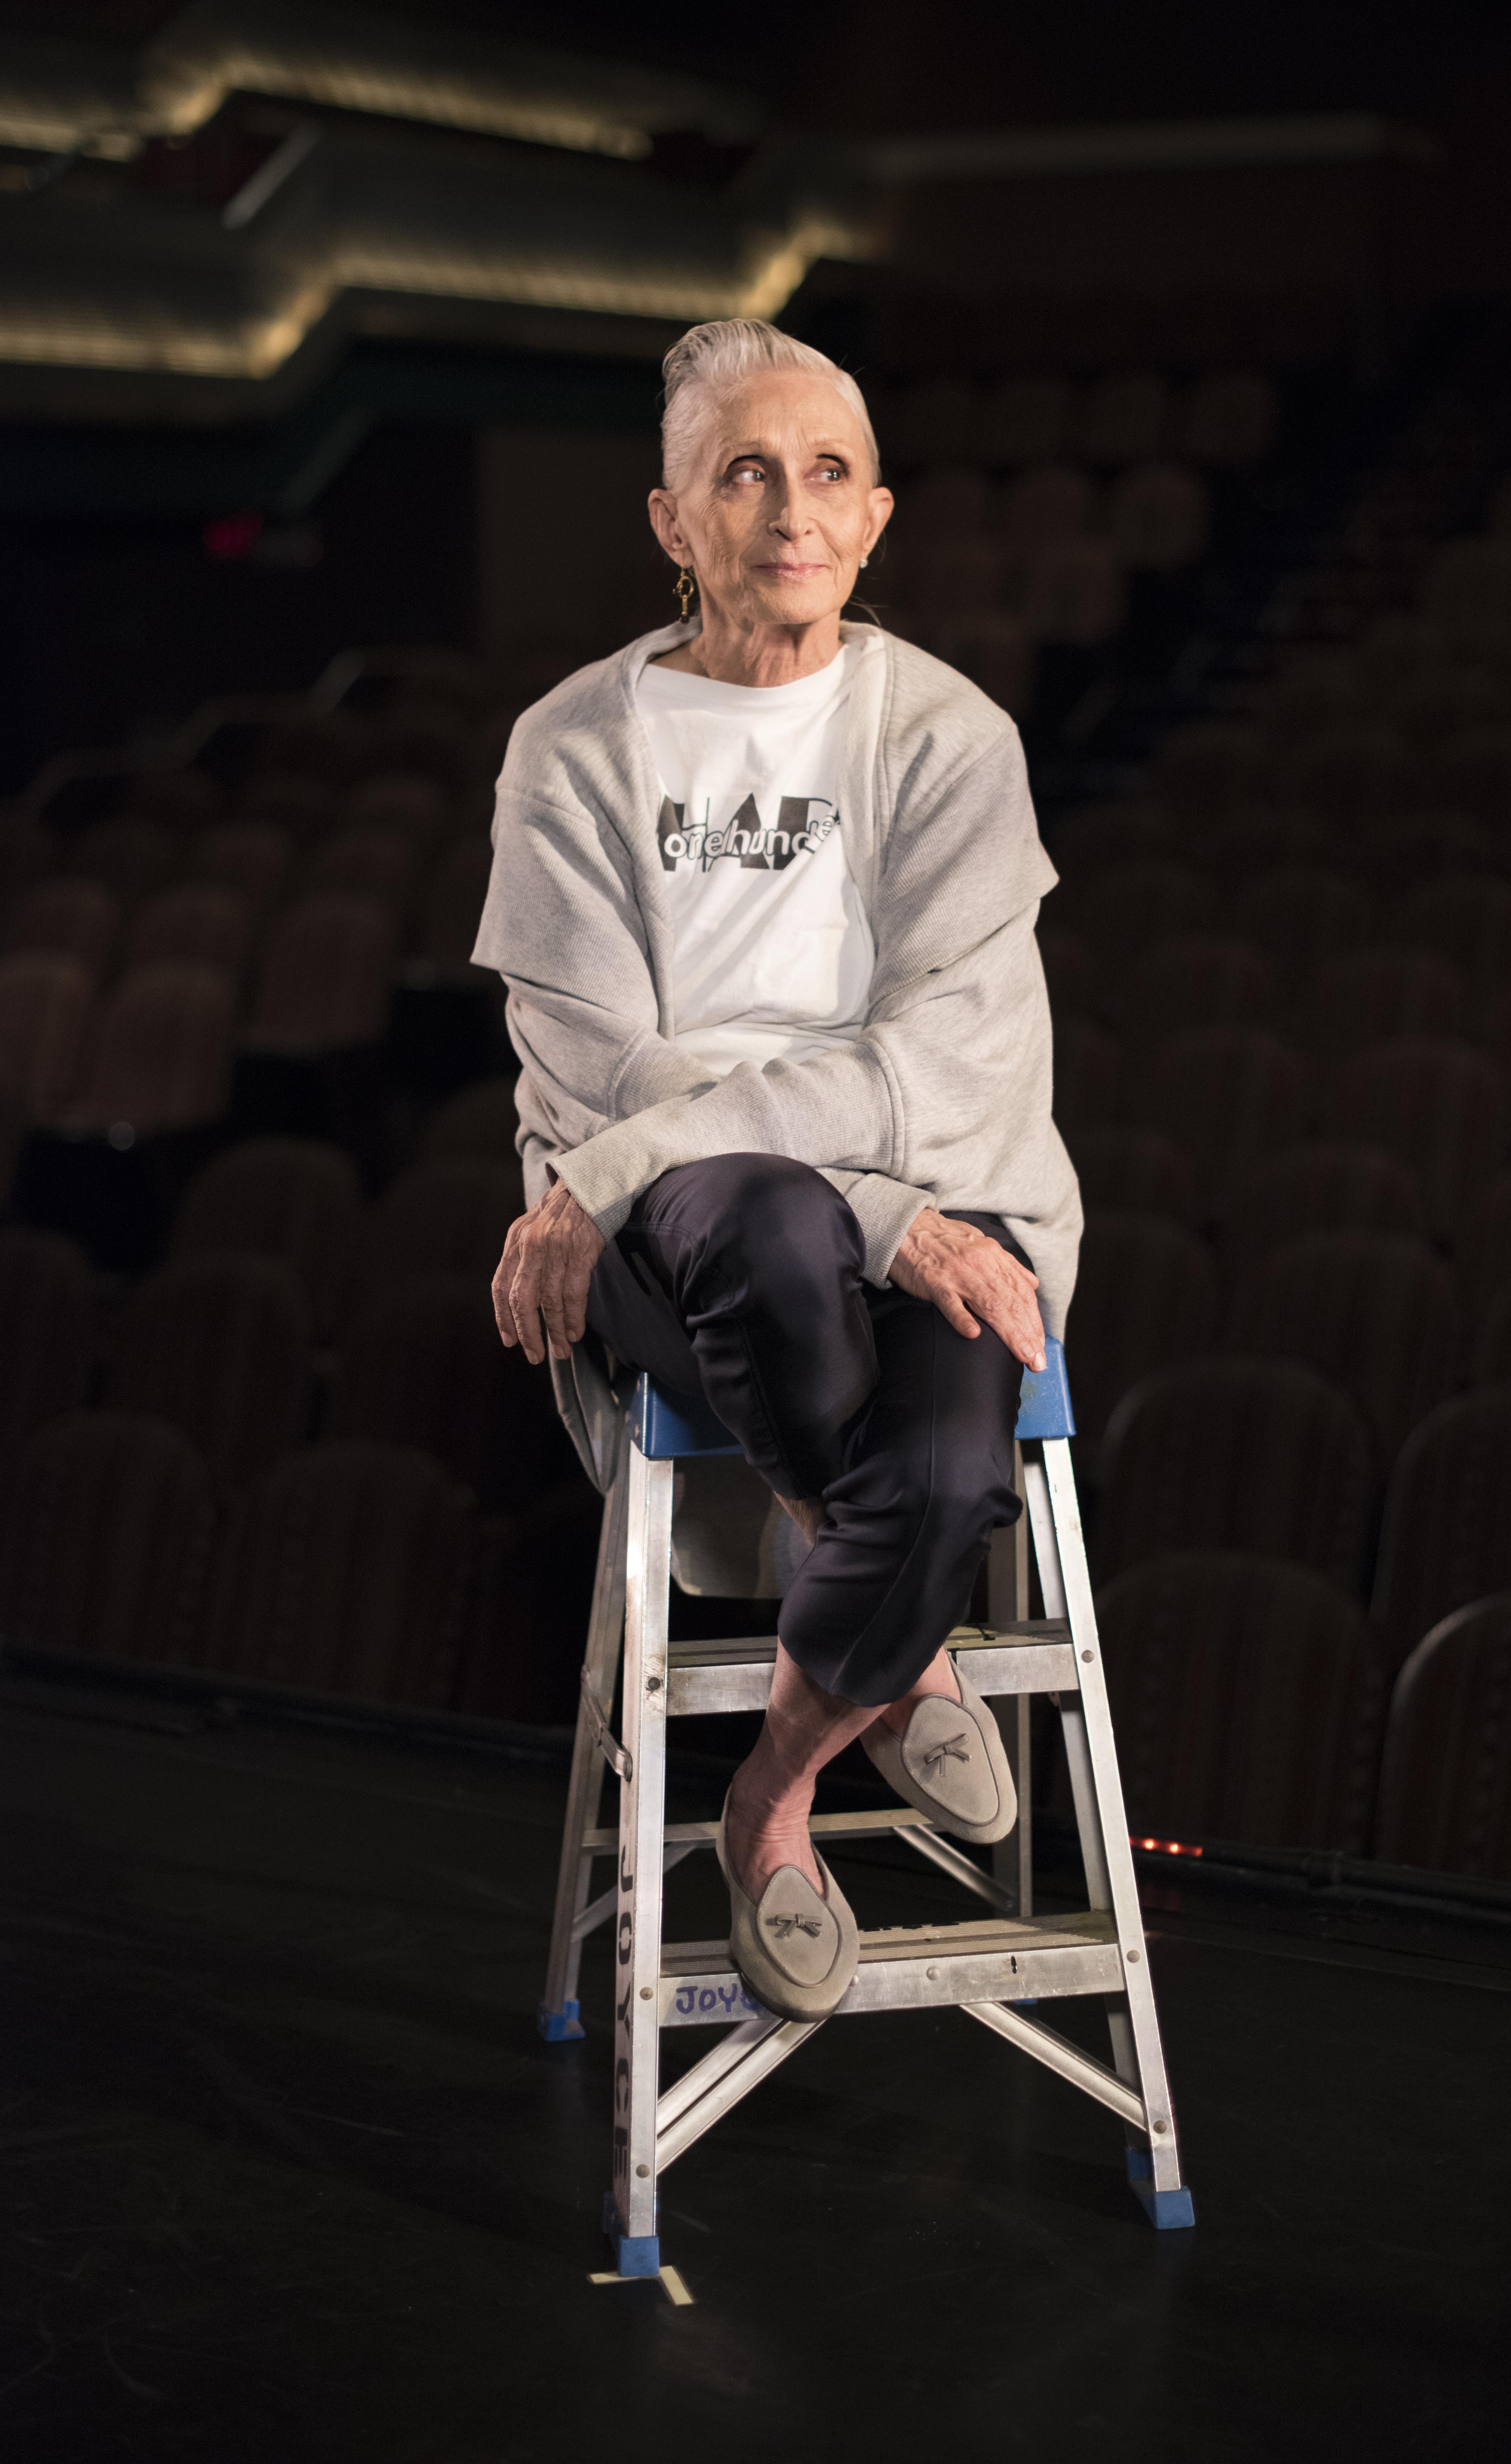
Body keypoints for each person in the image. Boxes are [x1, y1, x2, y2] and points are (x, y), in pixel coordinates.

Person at [479, 317, 1080, 2021]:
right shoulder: (572, 747)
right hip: (687, 1226)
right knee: (760, 1217)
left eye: (826, 474)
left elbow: (938, 1071)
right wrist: (843, 1205)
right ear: (672, 520)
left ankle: (770, 1798)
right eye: (744, 472)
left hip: (940, 1188)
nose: (789, 510)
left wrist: (888, 1214)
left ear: (876, 516)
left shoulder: (952, 741)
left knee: (957, 1444)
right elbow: (604, 1069)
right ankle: (898, 1659)